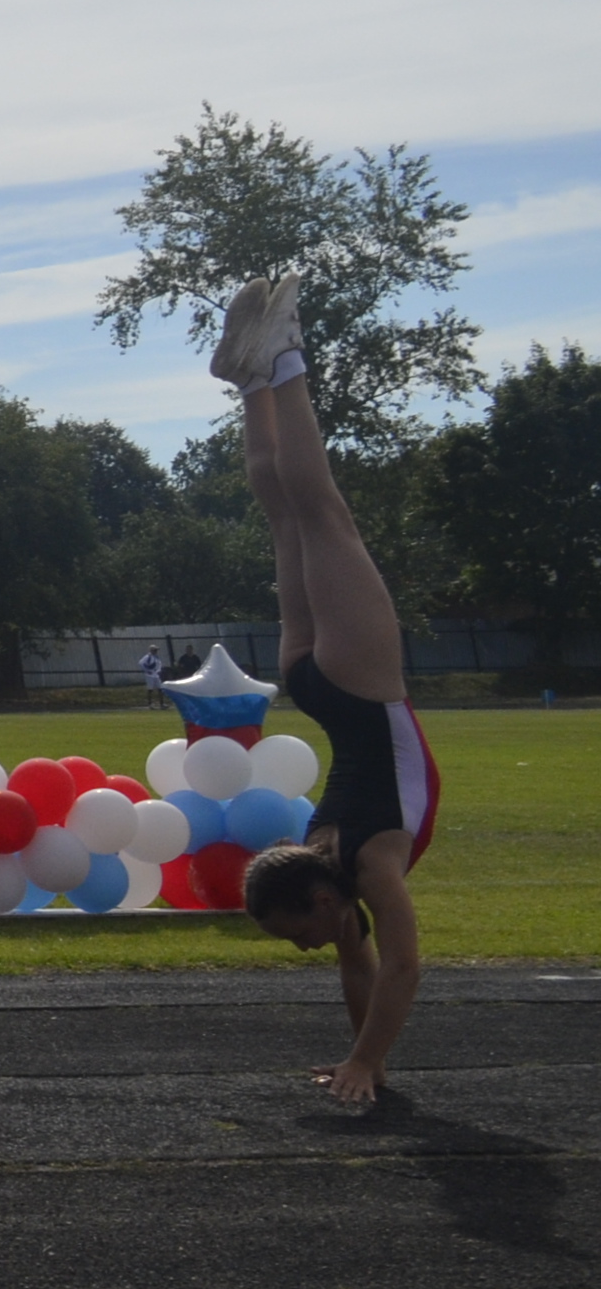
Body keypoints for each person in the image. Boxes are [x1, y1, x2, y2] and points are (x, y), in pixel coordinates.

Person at [221, 275, 439, 1105]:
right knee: (290, 517)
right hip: (311, 681)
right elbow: (365, 960)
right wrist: (365, 1061)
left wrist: (364, 1060)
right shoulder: (321, 861)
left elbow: (407, 965)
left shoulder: (373, 864)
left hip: (359, 685)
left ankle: (283, 360)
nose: (305, 947)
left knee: (320, 513)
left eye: (297, 933)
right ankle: (251, 380)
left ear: (320, 895)